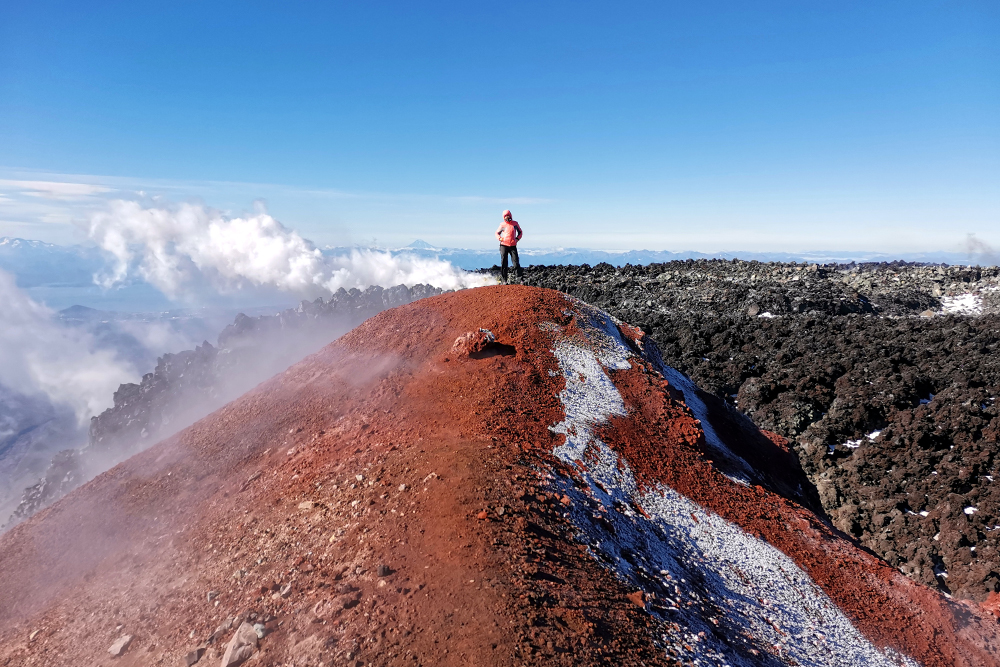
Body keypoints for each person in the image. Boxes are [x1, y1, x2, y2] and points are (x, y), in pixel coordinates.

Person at [495, 209, 523, 284]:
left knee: (516, 262)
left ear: (510, 215)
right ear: (503, 217)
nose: (507, 217)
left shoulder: (515, 224)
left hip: (513, 245)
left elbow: (520, 232)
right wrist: (500, 238)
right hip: (504, 245)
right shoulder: (502, 225)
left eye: (508, 215)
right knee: (504, 262)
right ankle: (504, 280)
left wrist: (517, 239)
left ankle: (520, 279)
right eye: (505, 216)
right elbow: (497, 233)